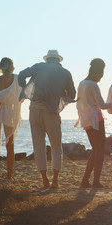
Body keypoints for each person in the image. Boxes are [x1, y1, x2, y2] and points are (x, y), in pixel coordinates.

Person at [18, 50, 76, 189]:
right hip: (52, 112)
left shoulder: (38, 67)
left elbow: (21, 75)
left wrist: (26, 88)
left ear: (47, 59)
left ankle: (44, 180)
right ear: (58, 60)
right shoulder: (66, 73)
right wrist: (61, 93)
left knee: (38, 145)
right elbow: (73, 95)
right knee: (56, 146)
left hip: (35, 109)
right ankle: (55, 181)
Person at [75, 58, 112, 188]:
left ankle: (85, 180)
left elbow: (79, 104)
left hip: (86, 120)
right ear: (97, 71)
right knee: (99, 151)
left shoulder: (81, 83)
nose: (101, 78)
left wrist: (83, 118)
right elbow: (102, 105)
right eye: (101, 74)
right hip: (96, 120)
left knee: (95, 150)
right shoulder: (92, 85)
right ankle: (95, 181)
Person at [0, 57, 23, 181]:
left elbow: (0, 96)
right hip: (10, 112)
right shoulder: (18, 78)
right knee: (10, 144)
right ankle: (9, 176)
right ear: (11, 66)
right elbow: (17, 95)